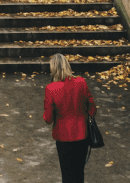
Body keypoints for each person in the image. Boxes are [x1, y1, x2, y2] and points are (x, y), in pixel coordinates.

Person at [43, 53, 95, 183]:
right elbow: (93, 109)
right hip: (82, 134)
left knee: (66, 173)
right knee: (78, 172)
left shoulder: (51, 89)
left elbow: (48, 118)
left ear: (53, 68)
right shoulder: (81, 82)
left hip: (63, 137)